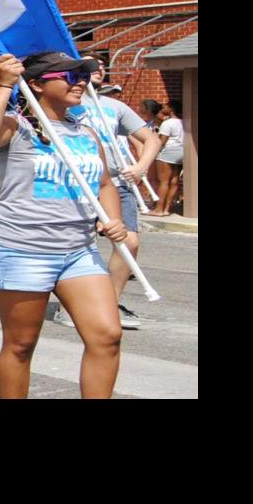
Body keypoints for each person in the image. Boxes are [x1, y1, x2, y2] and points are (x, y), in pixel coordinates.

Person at [0, 51, 127, 399]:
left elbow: (104, 185)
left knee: (107, 335)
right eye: (69, 76)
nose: (80, 81)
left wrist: (112, 220)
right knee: (21, 344)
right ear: (37, 84)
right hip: (22, 250)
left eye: (82, 75)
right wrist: (4, 84)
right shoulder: (16, 127)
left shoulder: (85, 131)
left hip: (79, 252)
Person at [73, 74, 164, 332]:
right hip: (79, 183)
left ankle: (109, 304)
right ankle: (70, 306)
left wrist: (140, 167)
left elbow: (151, 139)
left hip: (114, 182)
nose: (97, 71)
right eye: (89, 66)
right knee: (75, 247)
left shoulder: (115, 107)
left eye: (101, 66)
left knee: (129, 241)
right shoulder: (65, 104)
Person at [150, 99, 185, 214]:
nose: (162, 109)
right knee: (174, 181)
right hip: (181, 153)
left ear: (171, 109)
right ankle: (166, 209)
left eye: (165, 107)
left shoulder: (167, 123)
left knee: (163, 181)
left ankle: (158, 209)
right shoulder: (183, 122)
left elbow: (162, 142)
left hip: (167, 152)